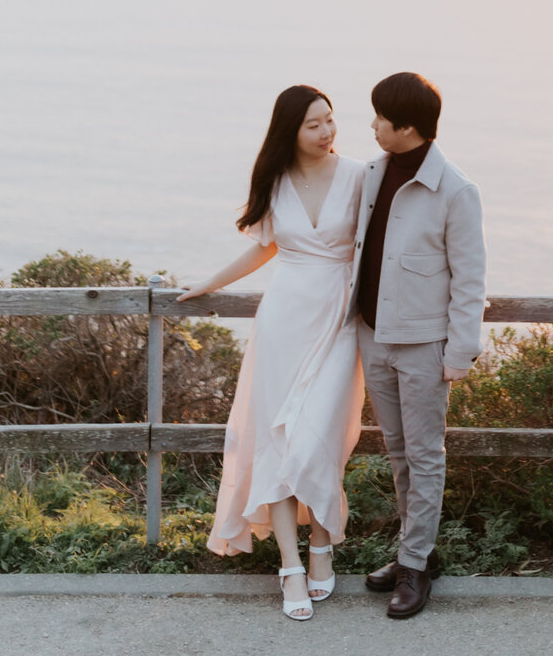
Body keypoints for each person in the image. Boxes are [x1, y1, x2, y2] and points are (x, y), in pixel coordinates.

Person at [178, 84, 364, 620]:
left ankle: (323, 545)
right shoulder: (276, 181)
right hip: (284, 319)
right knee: (277, 441)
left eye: (330, 120)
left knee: (320, 437)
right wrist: (207, 284)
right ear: (291, 131)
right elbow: (265, 246)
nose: (327, 132)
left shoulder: (358, 176)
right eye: (314, 124)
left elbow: (381, 245)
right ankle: (291, 566)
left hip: (338, 320)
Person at [349, 70, 486, 619]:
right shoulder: (371, 174)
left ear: (407, 127)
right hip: (371, 336)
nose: (374, 125)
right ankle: (417, 551)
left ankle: (414, 567)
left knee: (425, 456)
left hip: (424, 345)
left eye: (381, 117)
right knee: (399, 454)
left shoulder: (456, 190)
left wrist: (459, 353)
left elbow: (470, 278)